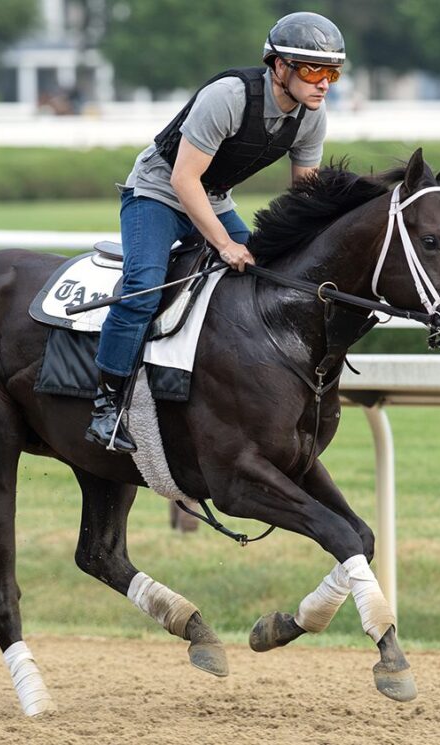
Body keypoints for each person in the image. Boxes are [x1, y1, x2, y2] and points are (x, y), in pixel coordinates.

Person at [86, 11, 346, 453]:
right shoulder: (227, 97)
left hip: (214, 200)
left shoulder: (311, 118)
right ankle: (106, 405)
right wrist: (224, 244)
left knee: (268, 276)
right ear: (279, 66)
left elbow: (305, 198)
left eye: (332, 74)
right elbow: (183, 179)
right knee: (143, 287)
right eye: (312, 70)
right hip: (157, 192)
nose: (324, 83)